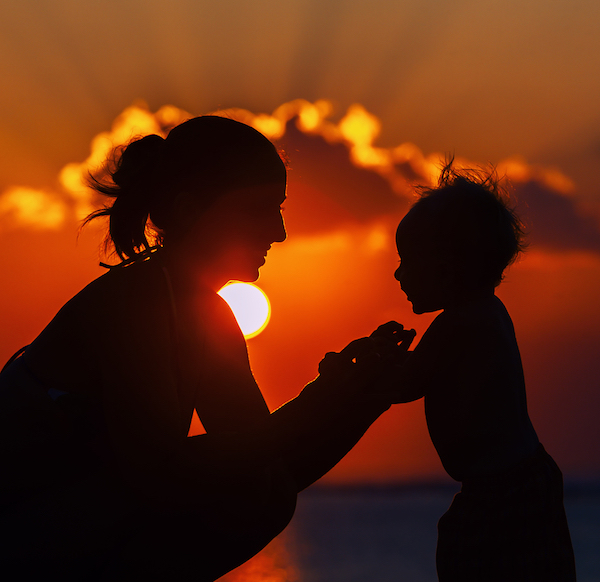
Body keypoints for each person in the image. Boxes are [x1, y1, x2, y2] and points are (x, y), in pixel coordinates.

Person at [0, 116, 391, 581]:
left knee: (260, 496)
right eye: (259, 209)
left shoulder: (207, 314)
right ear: (188, 210)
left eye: (279, 208)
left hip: (64, 530)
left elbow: (266, 470)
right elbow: (159, 478)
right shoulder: (137, 302)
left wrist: (358, 397)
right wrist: (313, 408)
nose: (280, 232)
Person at [371, 163, 576, 581]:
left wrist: (363, 366)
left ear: (445, 271)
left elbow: (404, 386)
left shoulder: (458, 323)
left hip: (500, 492)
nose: (397, 273)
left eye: (406, 262)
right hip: (524, 480)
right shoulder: (489, 313)